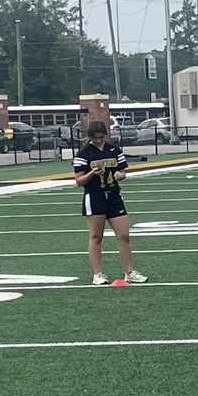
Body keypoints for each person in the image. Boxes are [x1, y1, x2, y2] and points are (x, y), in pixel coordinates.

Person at [73, 119, 147, 286]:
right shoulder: (84, 153)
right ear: (90, 136)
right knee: (96, 236)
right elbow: (79, 181)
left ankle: (129, 272)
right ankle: (97, 274)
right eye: (95, 137)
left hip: (113, 196)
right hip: (94, 196)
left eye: (101, 137)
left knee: (124, 236)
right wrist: (92, 173)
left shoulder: (114, 150)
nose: (99, 140)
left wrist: (120, 175)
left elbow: (122, 171)